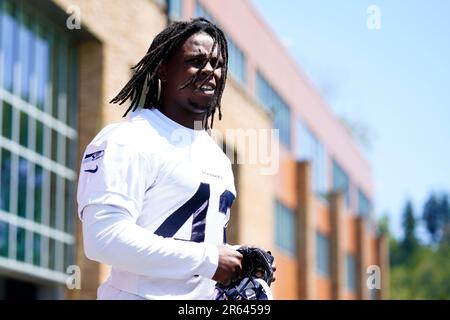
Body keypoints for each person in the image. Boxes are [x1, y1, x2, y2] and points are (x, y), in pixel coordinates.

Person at [77, 18, 246, 300]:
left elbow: (199, 245)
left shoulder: (217, 157)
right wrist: (210, 259)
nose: (209, 71)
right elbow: (102, 239)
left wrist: (239, 265)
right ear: (163, 70)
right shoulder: (128, 138)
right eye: (196, 61)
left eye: (217, 64)